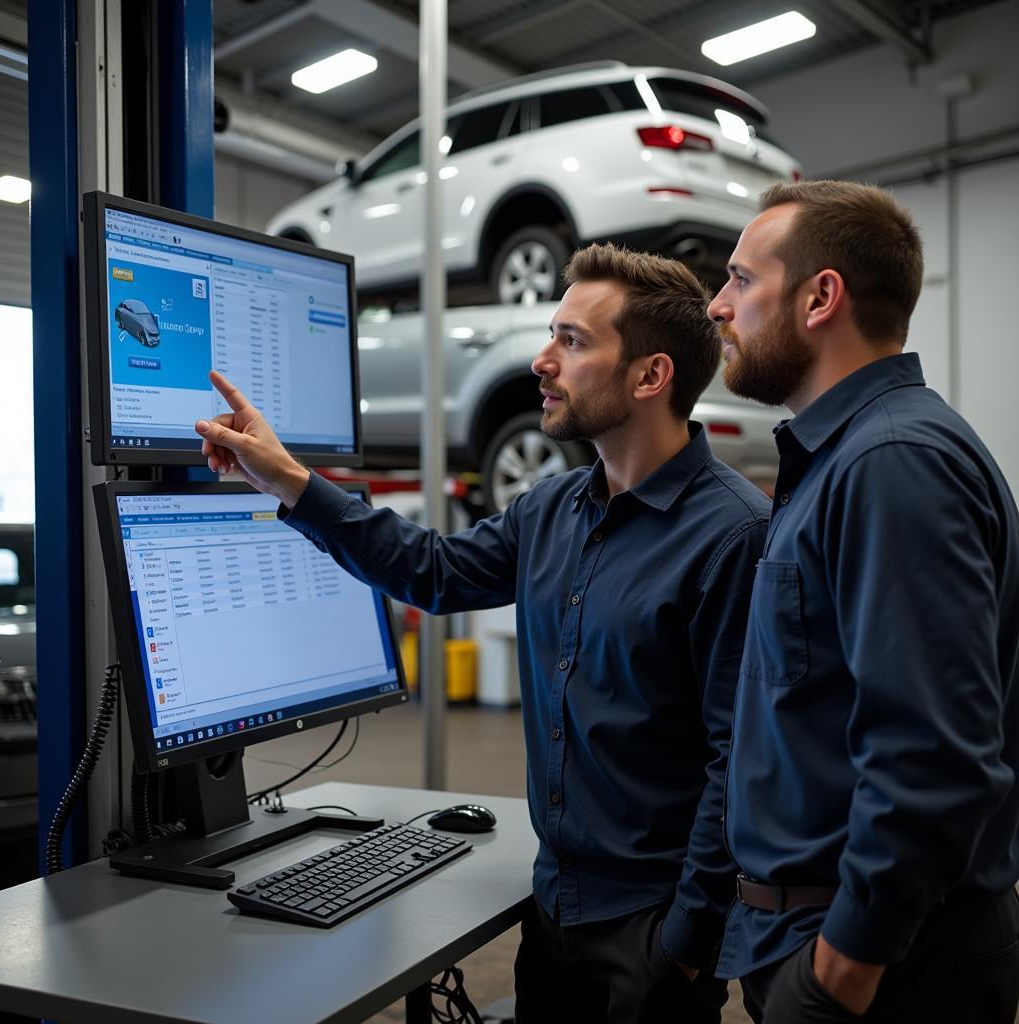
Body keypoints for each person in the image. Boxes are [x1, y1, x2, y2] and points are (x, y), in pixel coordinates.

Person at [196, 243, 770, 1023]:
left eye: (572, 341)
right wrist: (289, 480)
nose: (542, 361)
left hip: (653, 933)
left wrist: (687, 943)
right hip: (554, 909)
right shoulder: (552, 508)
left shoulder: (733, 536)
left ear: (649, 376)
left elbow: (736, 763)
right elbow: (431, 571)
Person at [708, 179, 1019, 1023]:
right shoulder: (846, 458)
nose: (716, 306)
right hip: (836, 944)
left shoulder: (890, 463)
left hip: (882, 971)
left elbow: (933, 755)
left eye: (740, 280)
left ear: (820, 297)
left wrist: (840, 972)